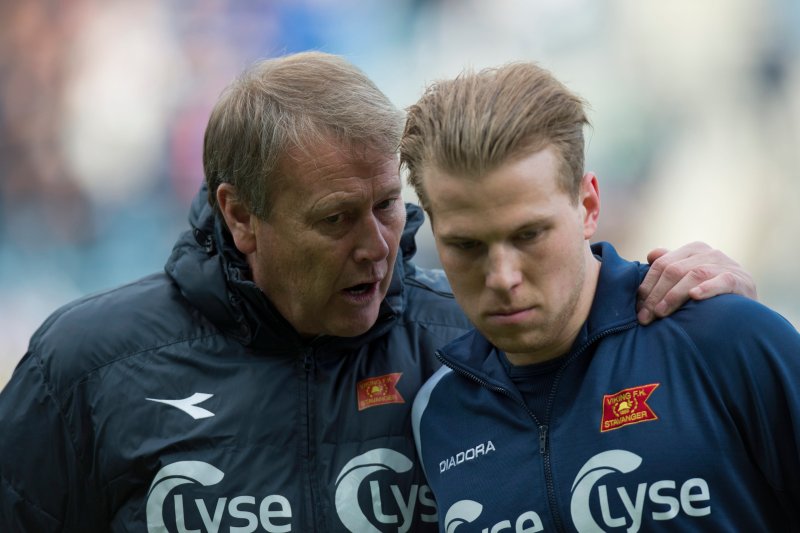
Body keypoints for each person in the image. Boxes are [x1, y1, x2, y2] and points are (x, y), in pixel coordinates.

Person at [0, 52, 757, 533]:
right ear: (240, 214)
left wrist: (706, 301)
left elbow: (615, 349)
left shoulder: (476, 337)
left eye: (387, 205)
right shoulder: (85, 368)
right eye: (334, 219)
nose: (377, 244)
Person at [405, 61, 800, 532]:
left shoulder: (726, 339)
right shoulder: (437, 413)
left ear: (588, 205)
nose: (502, 276)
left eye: (529, 234)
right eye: (467, 245)